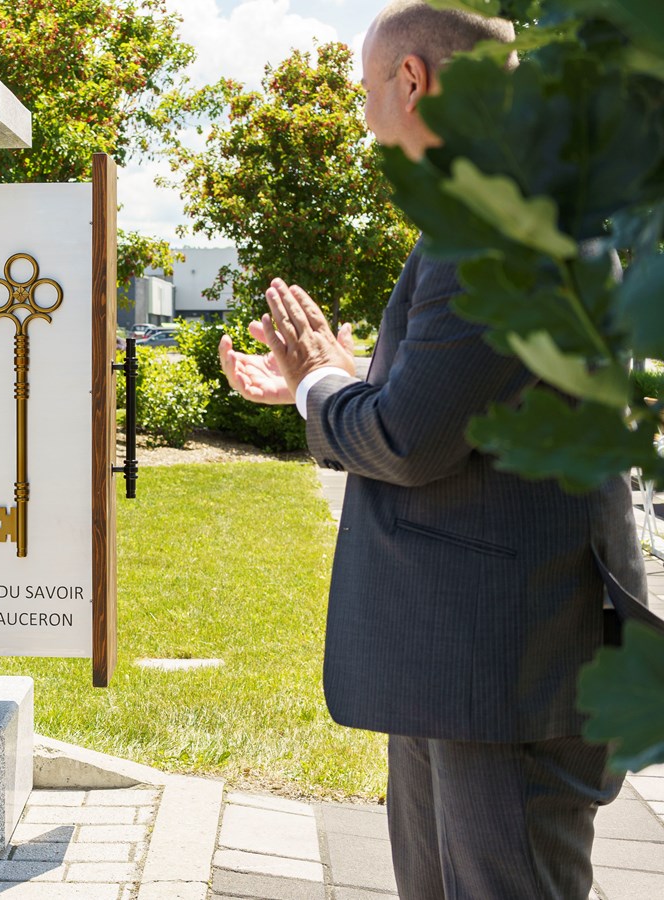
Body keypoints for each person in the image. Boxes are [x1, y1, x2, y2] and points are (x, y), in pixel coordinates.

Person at [218, 3, 642, 897]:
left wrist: (318, 387)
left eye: (367, 90)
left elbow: (411, 440)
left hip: (502, 668)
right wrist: (334, 376)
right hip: (472, 654)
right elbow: (446, 408)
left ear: (412, 80)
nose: (365, 115)